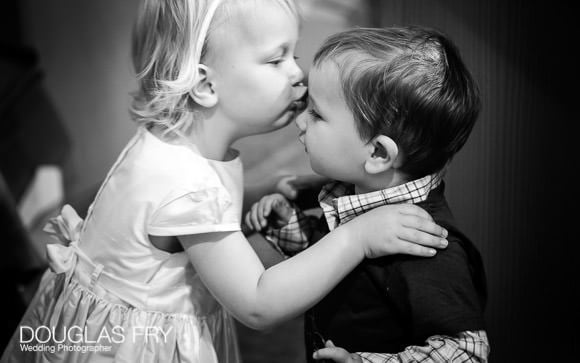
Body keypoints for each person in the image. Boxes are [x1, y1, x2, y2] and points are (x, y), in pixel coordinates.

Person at [0, 3, 449, 362]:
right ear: (205, 86)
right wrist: (358, 238)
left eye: (292, 55)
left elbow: (182, 228)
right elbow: (257, 302)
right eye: (276, 59)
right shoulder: (189, 185)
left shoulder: (172, 145)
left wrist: (259, 194)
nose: (297, 73)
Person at [246, 26, 489, 362]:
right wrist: (290, 224)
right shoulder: (358, 193)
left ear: (377, 153)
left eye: (317, 114)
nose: (300, 121)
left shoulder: (423, 244)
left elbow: (467, 351)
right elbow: (337, 258)